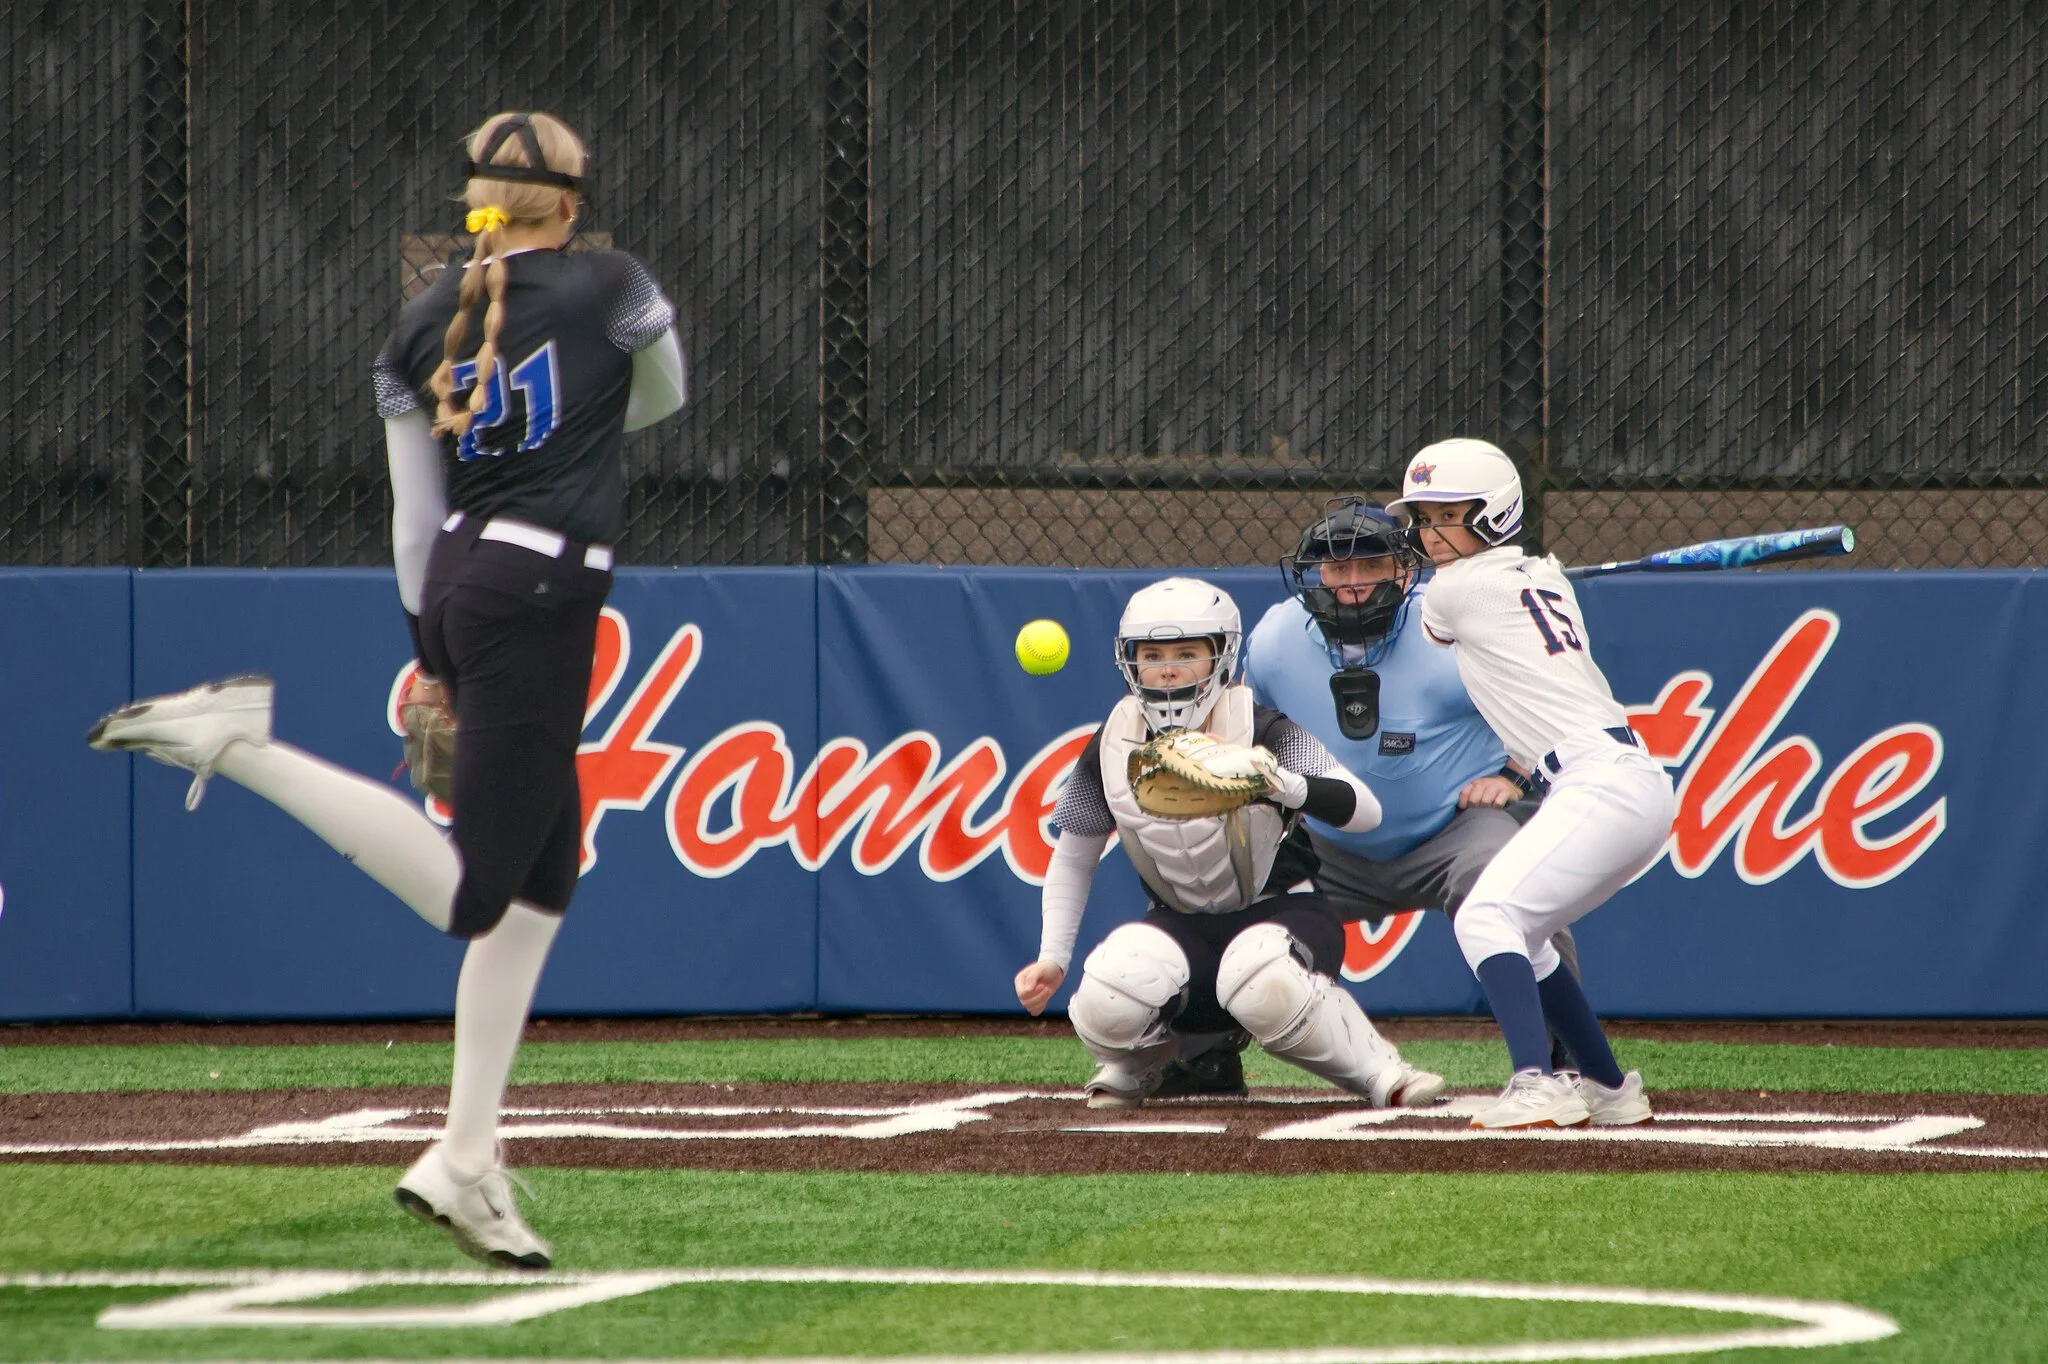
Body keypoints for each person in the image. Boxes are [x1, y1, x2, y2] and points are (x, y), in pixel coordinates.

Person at [85, 111, 688, 1266]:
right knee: (473, 895)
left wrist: (436, 645)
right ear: (567, 202)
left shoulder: (419, 322)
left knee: (538, 888)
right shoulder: (611, 279)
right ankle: (238, 741)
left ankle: (465, 1160)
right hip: (542, 595)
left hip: (465, 579)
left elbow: (414, 519)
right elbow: (662, 395)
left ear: (477, 201)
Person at [1012, 577, 1445, 1111]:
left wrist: (1279, 783)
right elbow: (1075, 854)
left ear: (1221, 657)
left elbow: (1365, 811)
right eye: (1151, 654)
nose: (1167, 669)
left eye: (1187, 652)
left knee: (1257, 972)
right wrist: (1051, 959)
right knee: (1109, 991)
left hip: (1284, 913)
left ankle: (1383, 1073)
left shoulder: (1259, 728)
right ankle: (1157, 1063)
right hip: (1182, 924)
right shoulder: (1112, 741)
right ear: (1128, 661)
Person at [1387, 438, 1673, 1129]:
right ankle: (1608, 1087)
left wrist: (1430, 586)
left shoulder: (1456, 590)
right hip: (1620, 780)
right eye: (1422, 518)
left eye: (1447, 515)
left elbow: (1431, 627)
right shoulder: (1545, 578)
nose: (1430, 533)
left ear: (1493, 515)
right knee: (1531, 934)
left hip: (1599, 781)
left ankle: (1536, 1080)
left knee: (1487, 916)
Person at [1240, 502, 1584, 1068]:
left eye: (1369, 566)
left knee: (1508, 880)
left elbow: (1552, 698)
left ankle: (1565, 1056)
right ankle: (1202, 1054)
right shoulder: (1278, 638)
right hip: (1332, 842)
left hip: (1454, 829)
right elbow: (1250, 725)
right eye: (1335, 568)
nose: (1351, 584)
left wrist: (1514, 772)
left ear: (1404, 570)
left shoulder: (1455, 628)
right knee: (1229, 892)